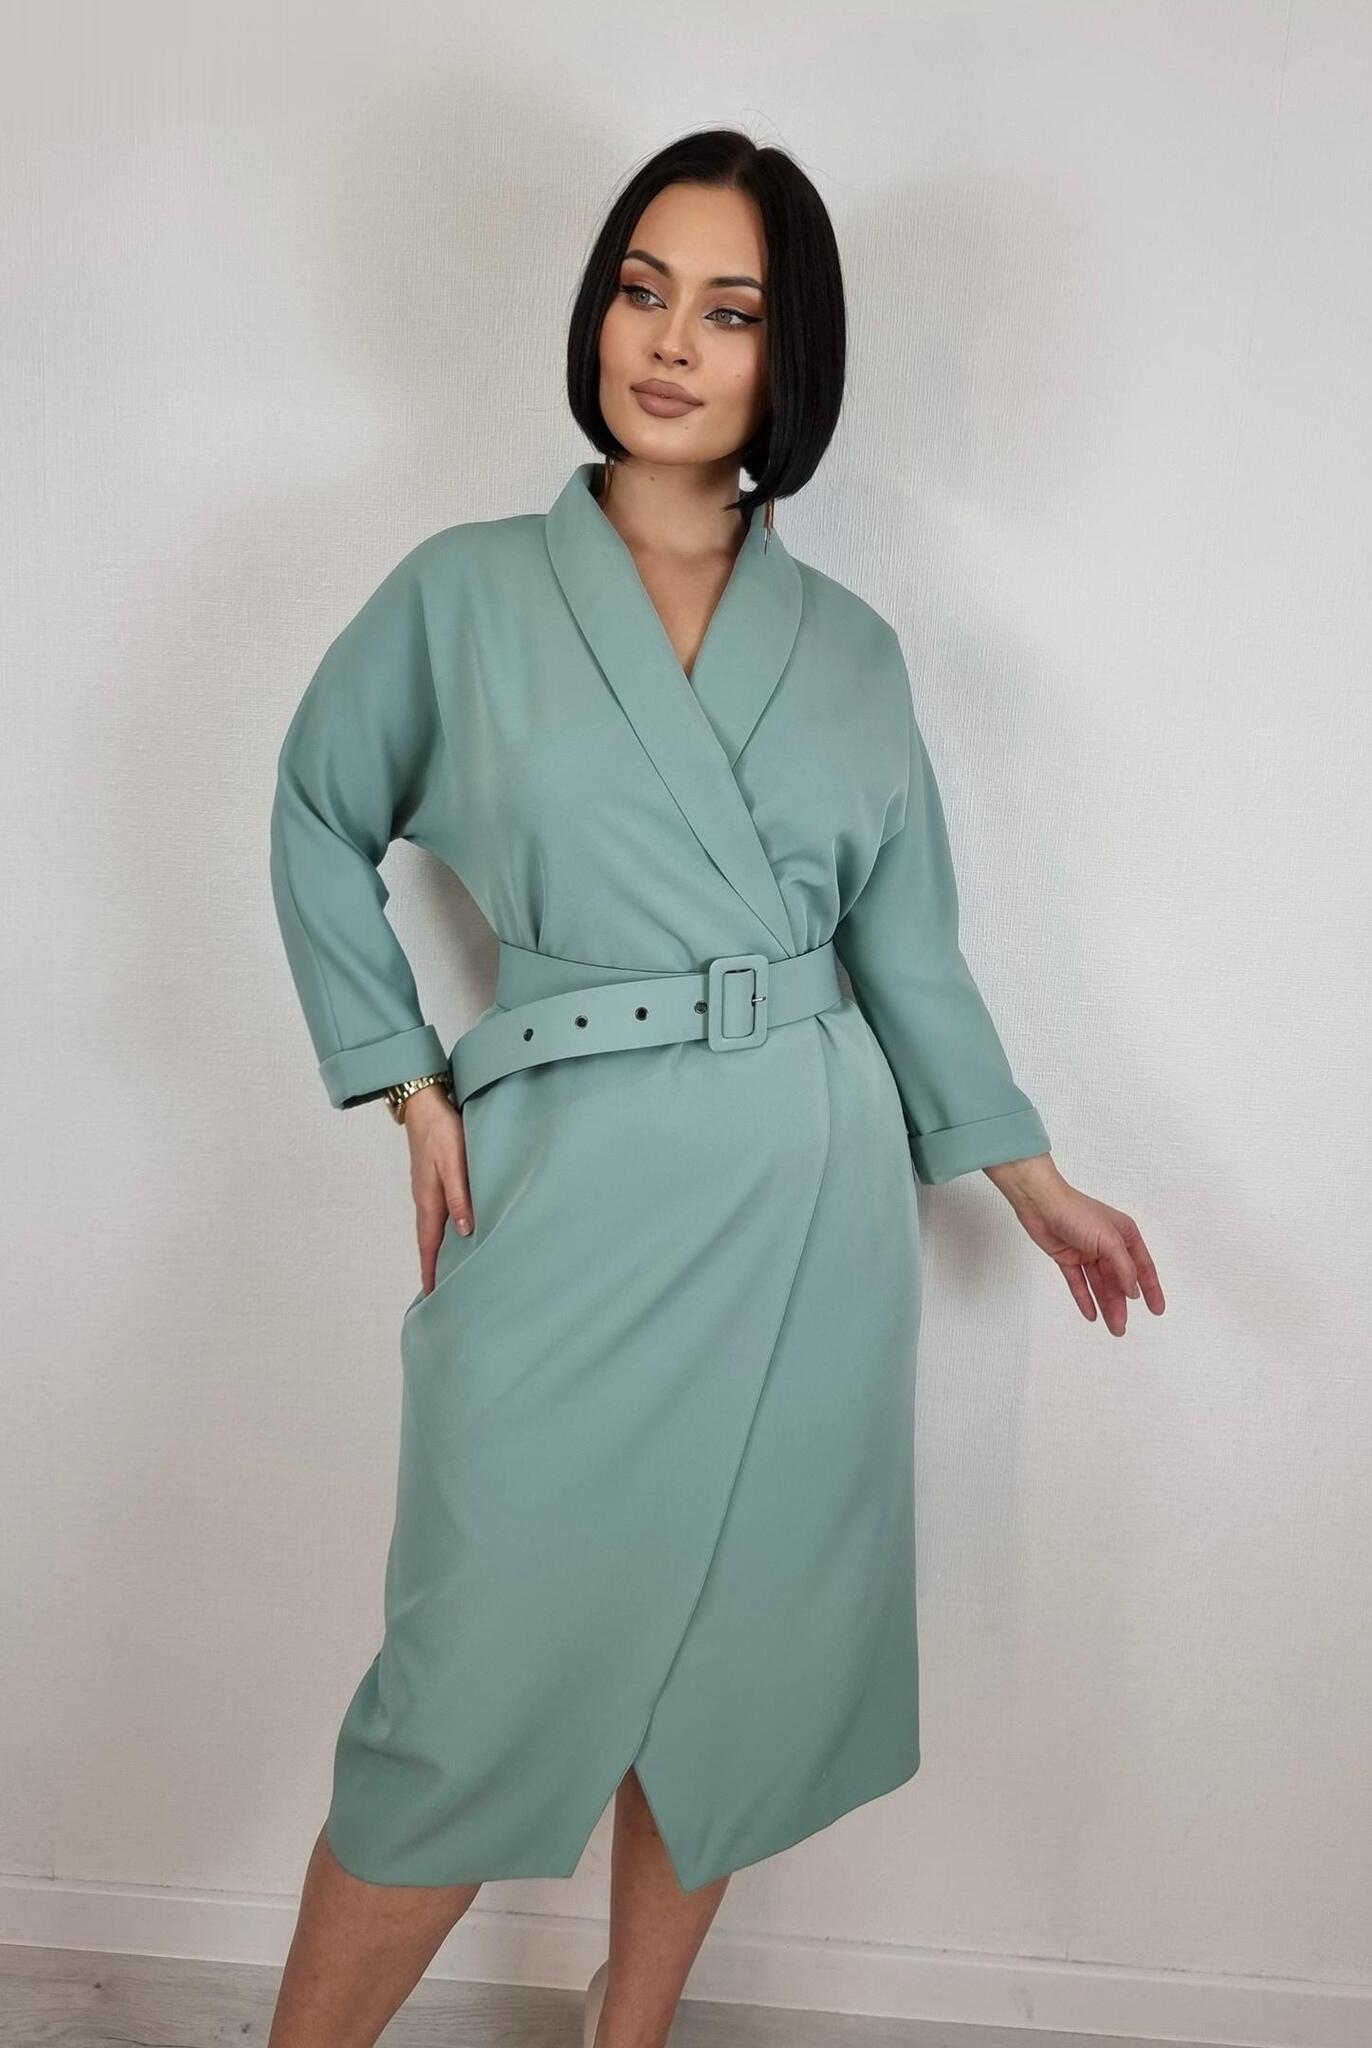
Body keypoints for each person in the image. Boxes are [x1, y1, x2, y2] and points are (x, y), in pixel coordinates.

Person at [264, 127, 1164, 2048]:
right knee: (466, 1675)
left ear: (789, 354)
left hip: (809, 1191)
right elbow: (314, 811)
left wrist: (1033, 1181)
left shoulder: (855, 652)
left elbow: (909, 955)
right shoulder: (461, 593)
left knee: (732, 1668)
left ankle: (633, 2033)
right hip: (560, 1182)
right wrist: (403, 1083)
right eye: (642, 289)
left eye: (731, 310)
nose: (671, 341)